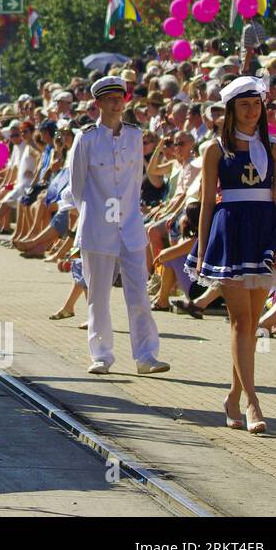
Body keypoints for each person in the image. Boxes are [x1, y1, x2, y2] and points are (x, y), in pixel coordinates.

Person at [186, 76, 276, 435]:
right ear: (231, 109)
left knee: (252, 325)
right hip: (229, 232)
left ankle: (232, 395)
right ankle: (252, 402)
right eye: (244, 104)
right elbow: (205, 205)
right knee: (241, 323)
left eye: (257, 104)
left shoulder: (274, 146)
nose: (252, 110)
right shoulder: (215, 149)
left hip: (263, 232)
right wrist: (200, 251)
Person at [68, 75, 169, 376]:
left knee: (138, 294)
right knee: (98, 295)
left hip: (130, 225)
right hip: (98, 226)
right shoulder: (85, 139)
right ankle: (101, 355)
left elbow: (135, 179)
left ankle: (146, 355)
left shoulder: (135, 136)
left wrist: (126, 213)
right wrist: (93, 215)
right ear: (97, 103)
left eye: (120, 97)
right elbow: (77, 187)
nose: (116, 103)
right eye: (110, 98)